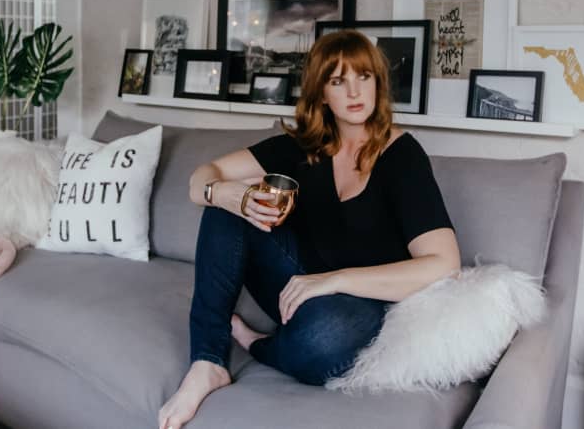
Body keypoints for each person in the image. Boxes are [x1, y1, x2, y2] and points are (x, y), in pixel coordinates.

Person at [158, 30, 461, 429]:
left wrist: (333, 280)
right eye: (338, 81)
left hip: (361, 302)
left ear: (378, 84)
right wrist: (223, 192)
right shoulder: (302, 147)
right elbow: (203, 176)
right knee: (227, 209)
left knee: (326, 337)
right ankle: (208, 361)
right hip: (295, 287)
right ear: (321, 94)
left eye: (364, 77)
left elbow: (444, 264)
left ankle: (261, 345)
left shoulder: (402, 155)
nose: (354, 91)